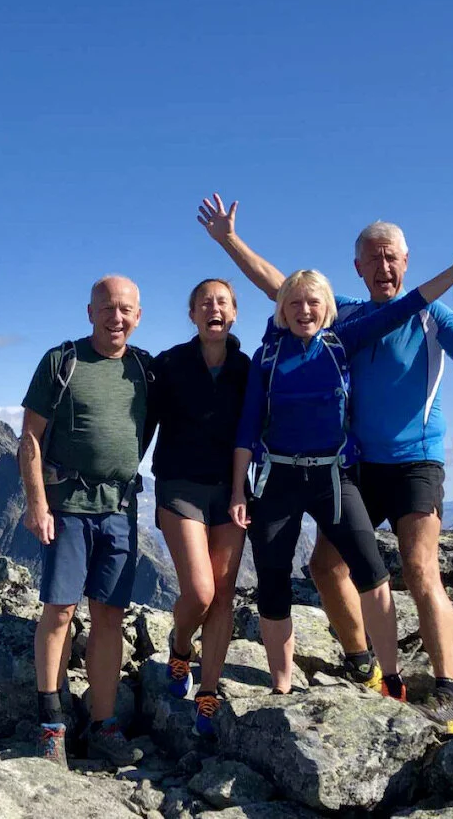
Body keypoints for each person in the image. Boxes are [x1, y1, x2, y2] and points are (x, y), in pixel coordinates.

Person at [201, 193, 453, 733]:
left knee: (419, 568)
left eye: (392, 257)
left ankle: (448, 690)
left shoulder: (432, 313)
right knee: (324, 568)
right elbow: (282, 287)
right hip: (355, 465)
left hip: (413, 462)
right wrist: (229, 241)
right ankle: (363, 662)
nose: (384, 266)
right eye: (373, 258)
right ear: (358, 267)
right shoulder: (345, 316)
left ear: (406, 262)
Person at [19, 275, 153, 768]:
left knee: (110, 617)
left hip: (120, 509)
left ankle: (103, 724)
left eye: (125, 309)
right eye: (107, 308)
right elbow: (30, 438)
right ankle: (51, 725)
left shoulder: (145, 370)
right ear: (90, 312)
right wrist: (37, 503)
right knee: (59, 611)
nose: (116, 317)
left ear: (138, 316)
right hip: (68, 507)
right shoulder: (63, 361)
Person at [148, 278, 251, 737]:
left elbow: (257, 430)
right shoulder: (169, 364)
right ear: (192, 315)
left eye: (222, 302)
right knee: (202, 593)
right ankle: (181, 644)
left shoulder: (247, 369)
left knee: (224, 595)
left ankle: (207, 694)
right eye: (205, 303)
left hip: (231, 491)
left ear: (234, 313)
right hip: (179, 488)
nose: (214, 308)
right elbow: (143, 423)